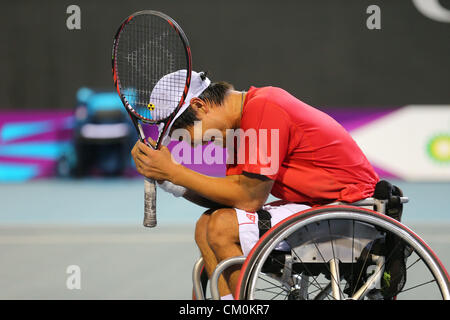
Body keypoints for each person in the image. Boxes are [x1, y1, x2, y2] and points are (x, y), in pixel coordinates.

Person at [131, 70, 379, 300]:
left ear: (199, 106)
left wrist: (175, 172)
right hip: (324, 210)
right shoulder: (238, 130)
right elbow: (234, 199)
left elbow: (249, 198)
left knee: (221, 226)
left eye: (179, 131)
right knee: (205, 225)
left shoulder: (264, 107)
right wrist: (171, 182)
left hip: (353, 211)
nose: (186, 143)